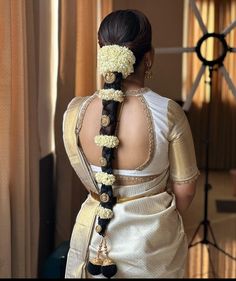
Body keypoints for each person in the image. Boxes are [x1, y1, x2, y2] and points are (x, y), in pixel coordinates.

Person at [62, 9, 200, 279]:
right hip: (151, 244)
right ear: (148, 58)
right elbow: (186, 189)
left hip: (93, 238)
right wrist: (164, 220)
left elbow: (93, 179)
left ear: (103, 55)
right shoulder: (168, 112)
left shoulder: (75, 112)